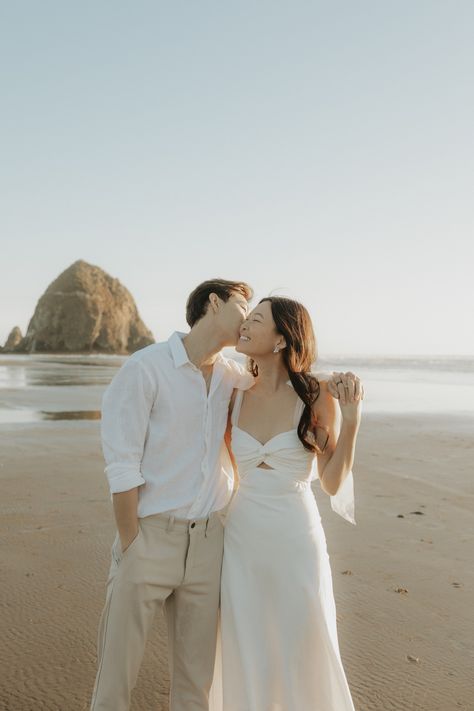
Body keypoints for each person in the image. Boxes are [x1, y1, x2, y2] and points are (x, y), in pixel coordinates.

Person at [89, 278, 257, 711]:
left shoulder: (230, 375)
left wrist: (336, 384)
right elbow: (122, 464)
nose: (249, 318)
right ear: (214, 304)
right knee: (115, 683)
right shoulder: (144, 368)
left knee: (195, 686)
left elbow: (284, 378)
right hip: (148, 538)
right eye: (243, 306)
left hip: (208, 545)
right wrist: (131, 544)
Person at [209, 296, 363, 711]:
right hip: (241, 539)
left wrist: (351, 423)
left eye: (256, 320)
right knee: (247, 644)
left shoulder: (315, 396)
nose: (244, 326)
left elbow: (331, 484)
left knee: (304, 642)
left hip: (295, 538)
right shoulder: (232, 391)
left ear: (281, 339)